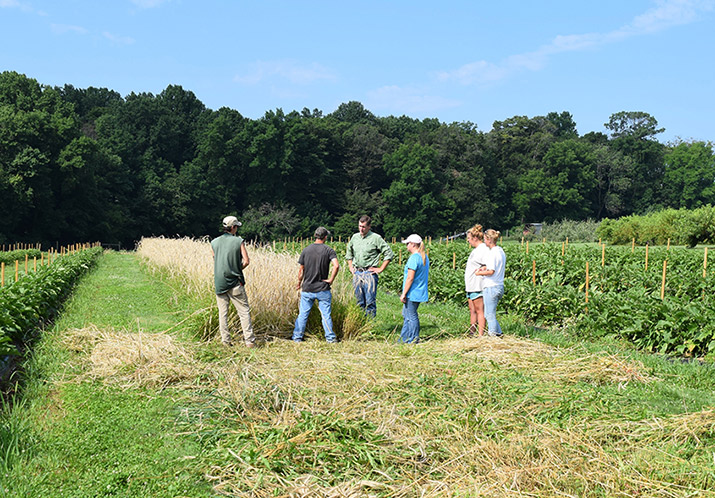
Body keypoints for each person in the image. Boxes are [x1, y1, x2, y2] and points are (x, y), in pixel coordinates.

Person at [210, 215, 256, 348]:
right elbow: (246, 261)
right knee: (244, 312)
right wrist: (236, 267)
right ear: (233, 227)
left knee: (223, 313)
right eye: (236, 227)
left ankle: (225, 341)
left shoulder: (214, 242)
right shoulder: (238, 241)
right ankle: (249, 341)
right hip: (235, 282)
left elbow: (215, 258)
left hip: (220, 282)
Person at [292, 227, 340, 343]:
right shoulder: (329, 250)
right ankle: (330, 338)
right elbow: (336, 265)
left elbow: (301, 270)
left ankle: (297, 337)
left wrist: (299, 283)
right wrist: (331, 279)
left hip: (307, 288)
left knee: (303, 314)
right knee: (325, 315)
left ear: (315, 236)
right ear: (325, 237)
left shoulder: (306, 250)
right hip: (323, 288)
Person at [345, 215, 394, 317]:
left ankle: (370, 326)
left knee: (370, 301)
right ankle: (359, 324)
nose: (361, 229)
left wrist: (380, 269)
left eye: (363, 227)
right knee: (359, 302)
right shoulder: (355, 237)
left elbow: (389, 253)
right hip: (357, 272)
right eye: (359, 226)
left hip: (369, 273)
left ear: (369, 226)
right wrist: (350, 266)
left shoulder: (376, 238)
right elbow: (349, 252)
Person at [399, 234, 430, 344]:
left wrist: (404, 293)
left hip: (412, 292)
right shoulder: (424, 257)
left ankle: (413, 339)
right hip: (420, 291)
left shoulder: (413, 258)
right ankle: (404, 339)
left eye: (407, 243)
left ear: (413, 244)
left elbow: (410, 278)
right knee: (407, 315)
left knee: (411, 316)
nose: (406, 245)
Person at [477, 229, 506, 337]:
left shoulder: (492, 253)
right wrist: (485, 267)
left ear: (489, 239)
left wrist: (479, 273)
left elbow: (491, 271)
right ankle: (499, 334)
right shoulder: (500, 251)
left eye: (485, 239)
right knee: (489, 313)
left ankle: (493, 337)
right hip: (499, 285)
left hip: (491, 287)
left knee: (489, 315)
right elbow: (495, 266)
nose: (484, 241)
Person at [465, 224, 489, 336]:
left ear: (475, 238)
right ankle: (471, 331)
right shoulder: (476, 250)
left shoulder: (483, 250)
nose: (468, 241)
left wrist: (481, 270)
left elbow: (488, 265)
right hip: (471, 285)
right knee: (472, 309)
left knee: (480, 310)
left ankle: (481, 334)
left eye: (469, 238)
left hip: (477, 284)